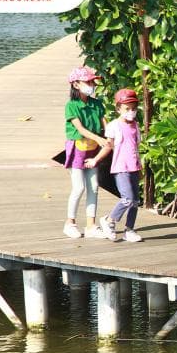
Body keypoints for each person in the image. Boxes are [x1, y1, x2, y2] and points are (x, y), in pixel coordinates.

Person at [85, 88, 144, 243]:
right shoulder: (114, 126)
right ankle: (109, 220)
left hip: (134, 167)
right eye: (127, 109)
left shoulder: (135, 126)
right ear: (118, 109)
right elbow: (108, 146)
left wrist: (141, 167)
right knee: (127, 199)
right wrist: (95, 160)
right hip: (121, 168)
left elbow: (135, 148)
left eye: (133, 109)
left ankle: (129, 230)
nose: (131, 112)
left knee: (135, 201)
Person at [63, 65, 109, 239]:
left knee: (94, 187)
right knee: (79, 187)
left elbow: (105, 124)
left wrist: (111, 137)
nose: (92, 85)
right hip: (77, 149)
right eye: (88, 82)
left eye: (92, 82)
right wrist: (99, 139)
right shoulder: (71, 106)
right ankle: (70, 223)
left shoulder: (97, 104)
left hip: (93, 150)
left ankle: (91, 225)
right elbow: (80, 129)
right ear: (76, 85)